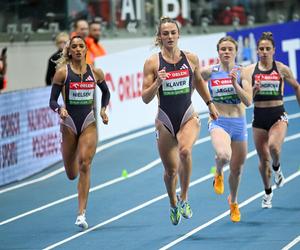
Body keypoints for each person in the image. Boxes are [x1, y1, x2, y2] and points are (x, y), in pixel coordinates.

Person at [142, 16, 218, 226]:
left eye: (173, 33)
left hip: (187, 115)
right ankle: (173, 203)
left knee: (185, 151)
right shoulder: (152, 62)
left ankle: (184, 199)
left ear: (178, 35)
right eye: (165, 33)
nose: (169, 36)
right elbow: (145, 98)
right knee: (171, 172)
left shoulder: (191, 58)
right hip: (165, 119)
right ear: (159, 37)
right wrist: (158, 82)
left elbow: (200, 82)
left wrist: (210, 104)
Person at [49, 35, 110, 229]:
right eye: (73, 46)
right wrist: (60, 109)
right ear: (69, 51)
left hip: (88, 123)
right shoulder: (62, 74)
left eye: (80, 46)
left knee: (85, 164)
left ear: (85, 50)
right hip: (68, 125)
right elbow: (52, 100)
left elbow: (106, 93)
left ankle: (81, 214)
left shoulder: (95, 72)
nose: (77, 49)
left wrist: (102, 109)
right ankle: (73, 152)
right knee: (71, 174)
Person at [244, 32, 300, 209]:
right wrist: (253, 89)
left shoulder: (281, 68)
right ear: (257, 51)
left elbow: (297, 87)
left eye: (268, 49)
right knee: (263, 160)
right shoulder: (249, 71)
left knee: (274, 147)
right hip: (259, 117)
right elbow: (247, 101)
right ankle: (267, 192)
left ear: (274, 50)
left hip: (278, 115)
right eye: (261, 49)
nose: (264, 52)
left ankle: (277, 168)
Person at [201, 36, 252, 222]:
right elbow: (193, 84)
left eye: (230, 49)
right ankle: (219, 172)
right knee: (224, 156)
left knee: (237, 170)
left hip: (238, 123)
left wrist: (234, 84)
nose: (226, 52)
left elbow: (248, 101)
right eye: (223, 49)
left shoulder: (242, 72)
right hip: (219, 121)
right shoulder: (209, 72)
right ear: (218, 52)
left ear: (236, 52)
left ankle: (234, 201)